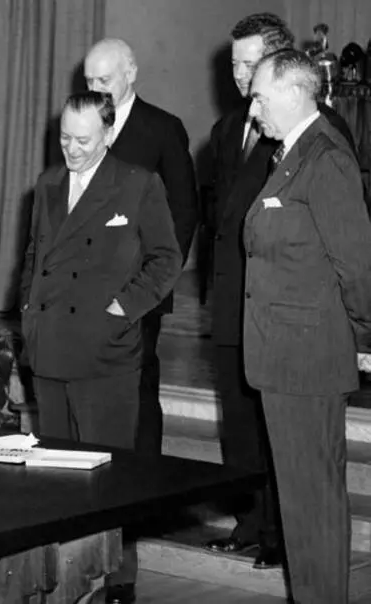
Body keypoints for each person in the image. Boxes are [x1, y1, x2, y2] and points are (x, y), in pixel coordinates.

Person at [205, 13, 356, 569]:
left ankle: (280, 540)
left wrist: (361, 336)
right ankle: (254, 524)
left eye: (251, 67)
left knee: (293, 462)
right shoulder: (232, 132)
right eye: (236, 65)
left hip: (292, 328)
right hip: (243, 312)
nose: (241, 80)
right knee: (246, 435)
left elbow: (346, 252)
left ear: (281, 69)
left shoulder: (322, 140)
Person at [20, 91, 182, 604]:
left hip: (103, 353)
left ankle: (117, 581)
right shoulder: (47, 183)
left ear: (109, 134)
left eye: (83, 140)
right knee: (55, 477)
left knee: (109, 475)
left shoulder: (138, 184)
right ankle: (63, 578)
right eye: (64, 137)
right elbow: (34, 257)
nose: (70, 148)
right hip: (49, 351)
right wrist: (27, 318)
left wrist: (121, 309)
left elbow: (165, 259)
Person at [244, 49, 371, 604]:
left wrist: (366, 338)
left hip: (306, 359)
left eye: (260, 96)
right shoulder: (291, 154)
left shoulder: (324, 157)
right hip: (283, 356)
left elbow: (359, 265)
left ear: (295, 93)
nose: (253, 110)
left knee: (313, 503)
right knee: (301, 504)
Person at [84, 38, 198, 458]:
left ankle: (142, 483)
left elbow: (184, 211)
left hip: (140, 286)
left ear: (131, 73)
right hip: (84, 286)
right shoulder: (79, 122)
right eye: (89, 80)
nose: (96, 88)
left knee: (138, 388)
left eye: (105, 79)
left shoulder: (162, 128)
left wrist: (160, 279)